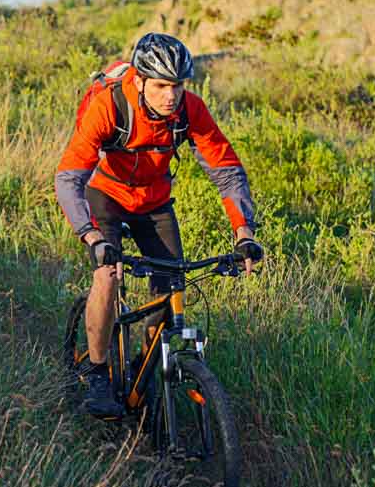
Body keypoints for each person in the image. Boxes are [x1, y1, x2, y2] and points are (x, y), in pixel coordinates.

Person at [54, 33, 264, 417]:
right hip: (106, 196)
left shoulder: (189, 111)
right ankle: (98, 373)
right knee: (107, 276)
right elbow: (69, 179)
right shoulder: (110, 107)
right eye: (162, 86)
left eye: (178, 86)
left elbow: (227, 173)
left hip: (154, 201)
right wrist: (92, 236)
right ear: (140, 81)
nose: (172, 95)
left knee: (171, 288)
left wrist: (244, 233)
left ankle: (145, 369)